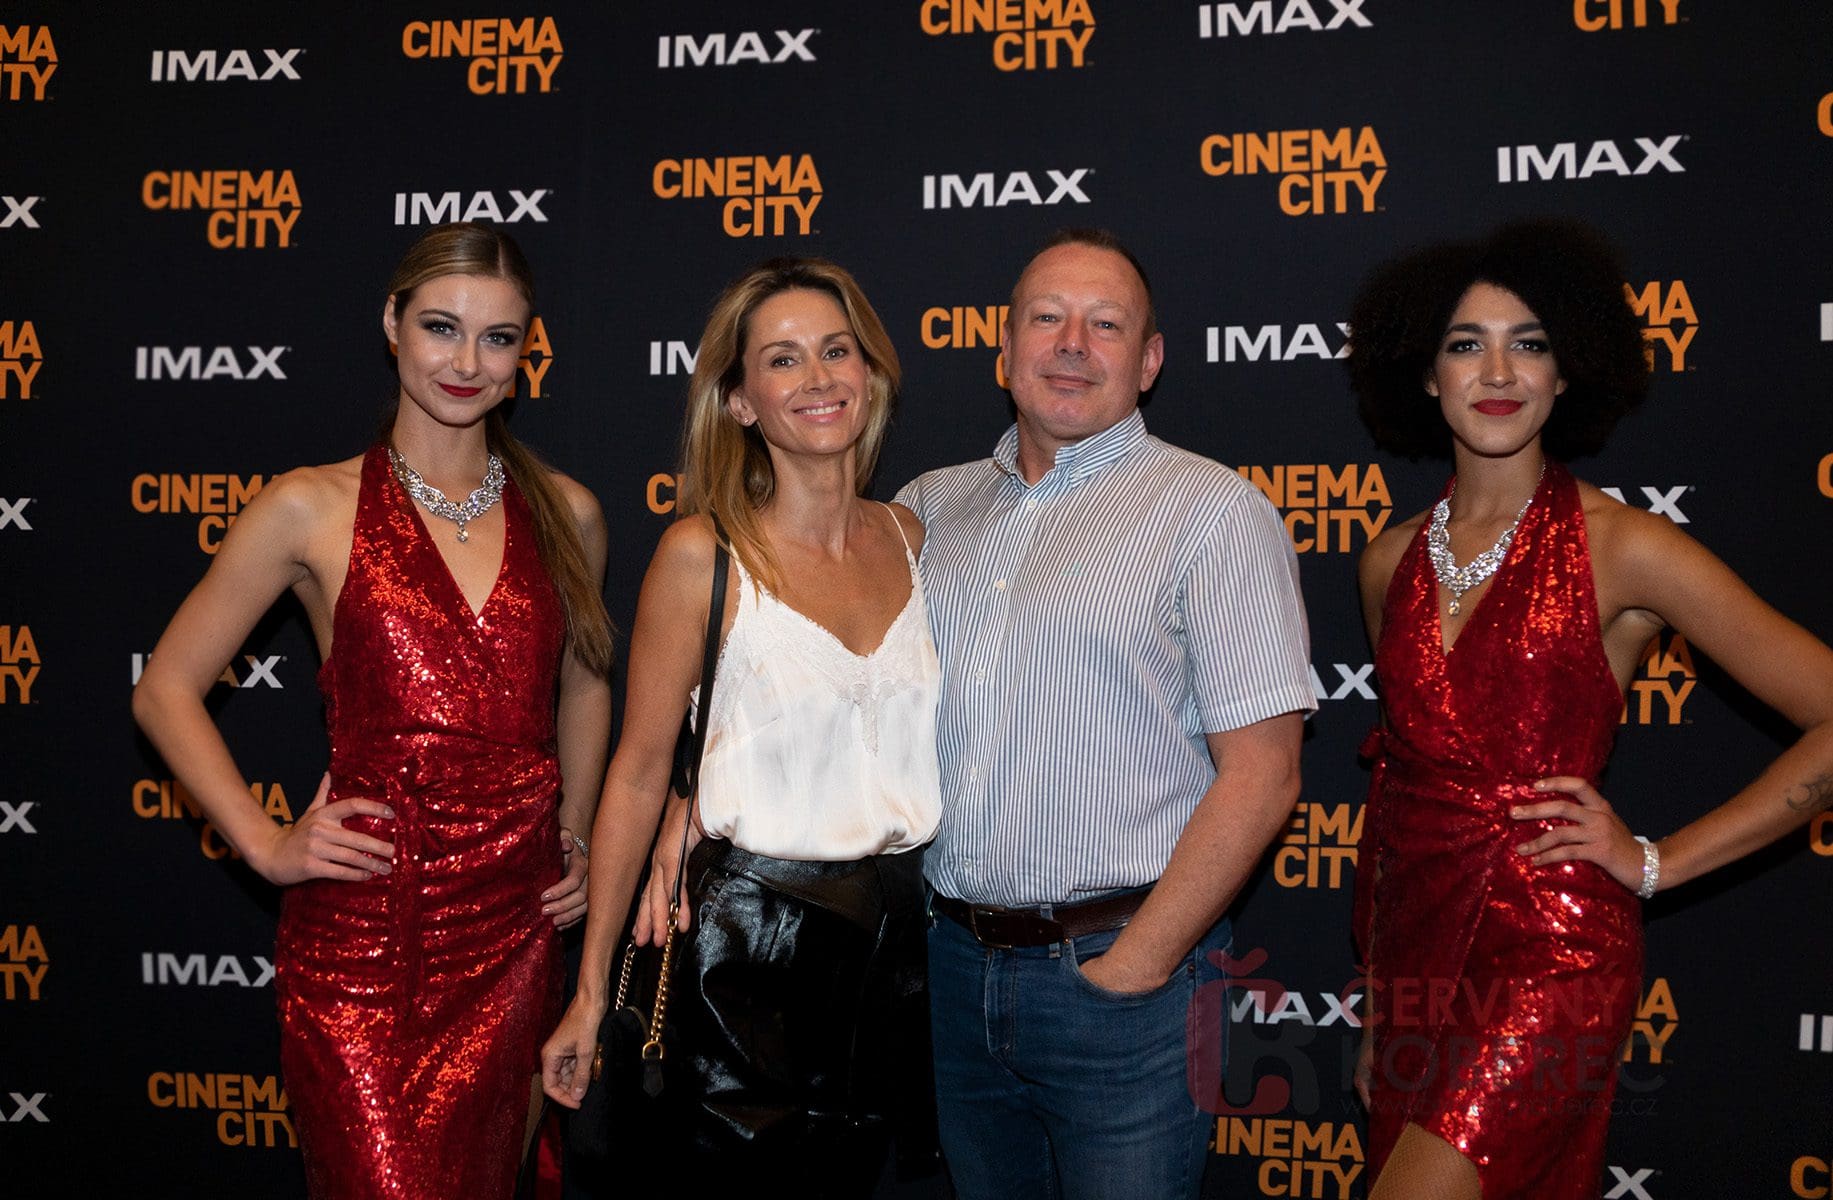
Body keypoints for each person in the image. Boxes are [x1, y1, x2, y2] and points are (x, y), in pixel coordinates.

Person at [1346, 217, 1833, 1200]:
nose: (1498, 371)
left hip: (1549, 953)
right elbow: (1400, 792)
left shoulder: (1623, 546)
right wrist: (1378, 1001)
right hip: (1414, 957)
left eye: (1529, 343)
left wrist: (1658, 860)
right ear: (1425, 374)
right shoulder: (1386, 561)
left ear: (1567, 371)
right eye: (1465, 343)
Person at [132, 222, 613, 1199]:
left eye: (497, 338)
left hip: (515, 933)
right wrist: (266, 844)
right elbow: (165, 688)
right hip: (366, 942)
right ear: (392, 324)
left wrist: (574, 834)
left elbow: (586, 682)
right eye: (441, 327)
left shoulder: (569, 512)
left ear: (526, 351)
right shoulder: (308, 506)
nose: (466, 363)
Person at [894, 228, 1315, 1199]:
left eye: (1106, 324)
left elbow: (1265, 774)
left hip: (1124, 986)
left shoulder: (1212, 512)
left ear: (1149, 360)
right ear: (1004, 349)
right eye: (1047, 318)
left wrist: (1139, 964)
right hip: (950, 972)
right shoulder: (926, 508)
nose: (1072, 344)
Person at [541, 258, 940, 1193]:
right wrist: (591, 990)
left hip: (892, 956)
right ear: (740, 401)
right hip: (742, 954)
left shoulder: (914, 537)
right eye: (783, 359)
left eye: (836, 351)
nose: (817, 379)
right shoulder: (701, 554)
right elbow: (638, 771)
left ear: (870, 372)